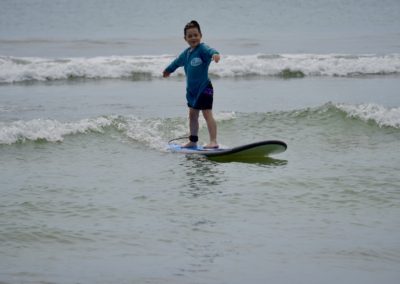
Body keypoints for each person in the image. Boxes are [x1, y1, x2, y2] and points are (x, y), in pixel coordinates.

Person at [163, 20, 221, 148]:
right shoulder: (186, 53)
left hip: (205, 88)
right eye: (190, 36)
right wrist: (168, 70)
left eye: (195, 35)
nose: (193, 38)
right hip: (192, 91)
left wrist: (215, 55)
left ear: (200, 35)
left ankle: (213, 141)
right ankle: (193, 141)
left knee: (207, 113)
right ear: (185, 38)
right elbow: (177, 62)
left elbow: (211, 51)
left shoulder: (202, 49)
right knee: (192, 115)